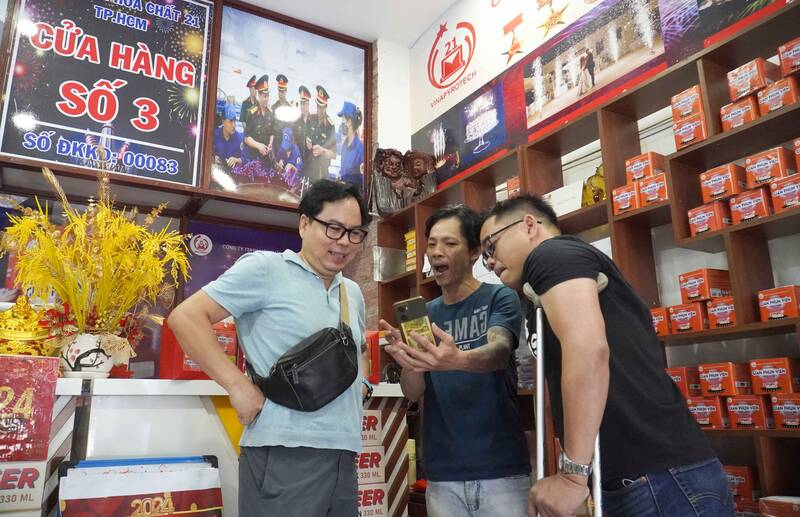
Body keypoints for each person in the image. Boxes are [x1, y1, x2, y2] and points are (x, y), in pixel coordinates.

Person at [478, 195, 732, 517]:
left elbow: (588, 350)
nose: (488, 261)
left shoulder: (551, 255)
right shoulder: (543, 283)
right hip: (650, 478)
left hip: (659, 481)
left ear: (529, 225)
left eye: (491, 246)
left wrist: (571, 477)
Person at [167, 179, 373, 517]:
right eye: (334, 229)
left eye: (355, 233)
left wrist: (361, 385)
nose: (344, 243)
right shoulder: (266, 269)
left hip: (344, 451)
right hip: (283, 451)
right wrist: (237, 386)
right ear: (305, 223)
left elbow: (357, 351)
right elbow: (186, 317)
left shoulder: (352, 291)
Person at [381, 205, 531, 517]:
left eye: (449, 244)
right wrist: (410, 362)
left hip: (500, 470)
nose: (436, 253)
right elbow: (412, 392)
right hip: (442, 474)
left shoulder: (498, 297)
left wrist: (455, 359)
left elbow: (499, 352)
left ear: (474, 251)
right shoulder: (426, 313)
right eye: (432, 244)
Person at [242, 74, 276, 179]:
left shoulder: (271, 113)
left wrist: (270, 144)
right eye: (264, 96)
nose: (266, 99)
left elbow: (272, 132)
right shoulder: (251, 112)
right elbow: (246, 138)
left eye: (267, 96)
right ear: (259, 95)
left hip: (266, 159)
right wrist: (258, 145)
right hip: (252, 158)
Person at [307, 85, 336, 181]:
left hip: (321, 174)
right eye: (318, 106)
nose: (319, 110)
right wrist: (307, 142)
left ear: (326, 106)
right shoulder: (311, 118)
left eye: (322, 107)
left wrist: (323, 150)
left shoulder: (330, 126)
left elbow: (334, 154)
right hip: (308, 170)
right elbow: (304, 137)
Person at [337, 101, 364, 192]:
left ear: (349, 122)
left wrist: (346, 183)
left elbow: (362, 180)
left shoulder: (360, 149)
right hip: (343, 193)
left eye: (343, 120)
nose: (341, 124)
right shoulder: (344, 145)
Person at [212, 103, 248, 172]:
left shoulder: (239, 139)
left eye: (235, 121)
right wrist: (213, 158)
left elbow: (245, 159)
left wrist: (237, 160)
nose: (234, 125)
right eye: (231, 121)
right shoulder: (214, 135)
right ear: (223, 122)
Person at [293, 85, 314, 177]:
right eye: (301, 103)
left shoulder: (314, 122)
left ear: (308, 104)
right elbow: (294, 141)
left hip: (310, 164)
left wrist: (312, 146)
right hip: (297, 162)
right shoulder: (297, 121)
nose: (302, 106)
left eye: (304, 103)